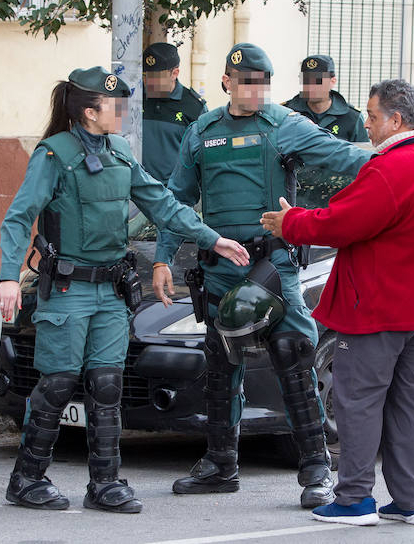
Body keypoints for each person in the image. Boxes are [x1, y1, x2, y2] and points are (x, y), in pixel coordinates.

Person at [0, 66, 249, 513]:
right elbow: (19, 216)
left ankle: (106, 483)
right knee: (57, 384)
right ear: (91, 111)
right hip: (70, 289)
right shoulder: (54, 155)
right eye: (117, 107)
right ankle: (27, 478)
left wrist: (212, 238)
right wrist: (9, 277)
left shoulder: (119, 152)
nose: (125, 114)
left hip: (111, 290)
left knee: (107, 383)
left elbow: (162, 202)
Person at [152, 43, 372, 508]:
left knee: (294, 358)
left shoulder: (286, 126)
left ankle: (315, 467)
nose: (255, 91)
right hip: (218, 270)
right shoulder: (202, 131)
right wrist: (161, 260)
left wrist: (402, 161)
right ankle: (219, 463)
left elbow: (346, 158)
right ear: (228, 83)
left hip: (273, 267)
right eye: (246, 82)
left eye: (262, 83)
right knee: (219, 366)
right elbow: (175, 199)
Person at [262, 79, 414, 526]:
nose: (368, 127)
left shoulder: (394, 167)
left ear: (397, 120)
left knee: (357, 400)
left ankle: (355, 498)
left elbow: (343, 222)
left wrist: (290, 222)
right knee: (409, 402)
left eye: (373, 118)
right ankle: (412, 500)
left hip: (376, 308)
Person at [142, 42, 208, 185]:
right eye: (146, 75)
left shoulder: (194, 107)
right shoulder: (134, 99)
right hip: (136, 192)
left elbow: (203, 157)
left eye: (157, 76)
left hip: (174, 195)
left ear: (175, 73)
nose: (149, 82)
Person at [282, 55, 367, 142]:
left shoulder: (352, 117)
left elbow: (363, 152)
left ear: (332, 81)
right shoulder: (287, 113)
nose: (311, 86)